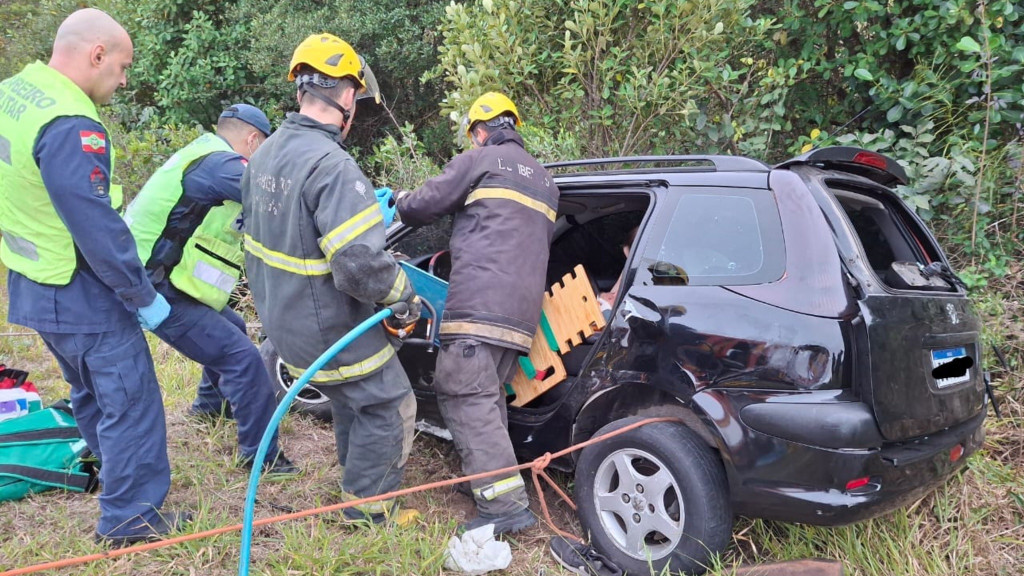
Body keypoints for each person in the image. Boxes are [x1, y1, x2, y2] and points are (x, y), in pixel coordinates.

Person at [0, 8, 189, 546]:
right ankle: (131, 518)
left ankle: (113, 471)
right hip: (79, 289)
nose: (124, 80)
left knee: (88, 390)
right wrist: (140, 293)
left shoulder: (16, 91)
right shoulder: (69, 123)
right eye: (123, 67)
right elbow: (95, 225)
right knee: (130, 402)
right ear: (96, 55)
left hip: (33, 279)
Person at [241, 33, 420, 523]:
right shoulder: (332, 165)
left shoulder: (267, 153)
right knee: (388, 404)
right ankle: (367, 512)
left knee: (351, 399)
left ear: (301, 89)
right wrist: (404, 296)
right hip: (329, 326)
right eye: (354, 98)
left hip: (286, 324)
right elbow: (359, 265)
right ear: (344, 95)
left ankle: (353, 478)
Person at [395, 91, 560, 535]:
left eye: (473, 135)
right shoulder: (546, 181)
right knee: (486, 400)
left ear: (481, 131)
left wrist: (398, 196)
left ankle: (504, 508)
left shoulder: (480, 162)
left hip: (478, 310)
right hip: (521, 317)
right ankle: (491, 482)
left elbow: (420, 206)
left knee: (465, 397)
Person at [123, 104, 298, 476]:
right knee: (245, 360)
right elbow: (278, 200)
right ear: (253, 140)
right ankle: (262, 458)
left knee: (232, 329)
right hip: (148, 288)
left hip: (153, 275)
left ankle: (209, 407)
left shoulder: (200, 153)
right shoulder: (222, 164)